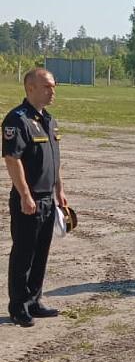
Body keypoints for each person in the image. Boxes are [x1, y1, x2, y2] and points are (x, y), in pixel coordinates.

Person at [2, 68, 66, 327]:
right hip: (29, 200)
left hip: (48, 199)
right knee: (23, 254)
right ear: (30, 88)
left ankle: (34, 301)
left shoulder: (49, 120)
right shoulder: (17, 120)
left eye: (54, 86)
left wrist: (60, 189)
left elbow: (54, 160)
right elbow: (12, 159)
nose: (53, 91)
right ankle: (18, 306)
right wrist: (25, 195)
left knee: (41, 253)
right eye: (47, 87)